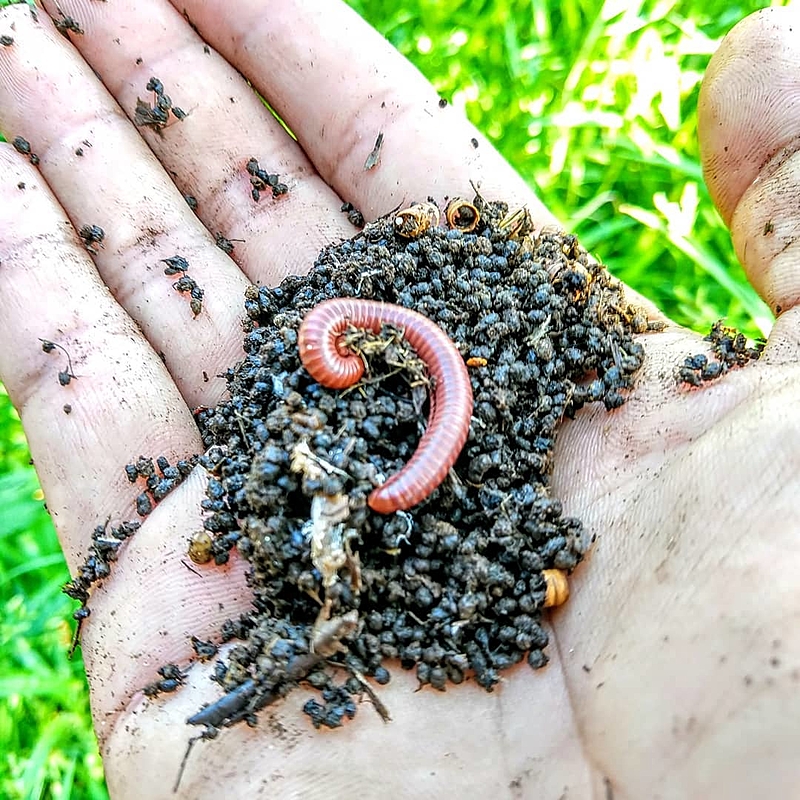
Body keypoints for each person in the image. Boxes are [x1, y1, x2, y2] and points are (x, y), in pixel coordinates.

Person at [1, 2, 797, 797]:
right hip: (376, 349)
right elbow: (354, 361)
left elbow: (394, 376)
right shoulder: (340, 347)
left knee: (432, 397)